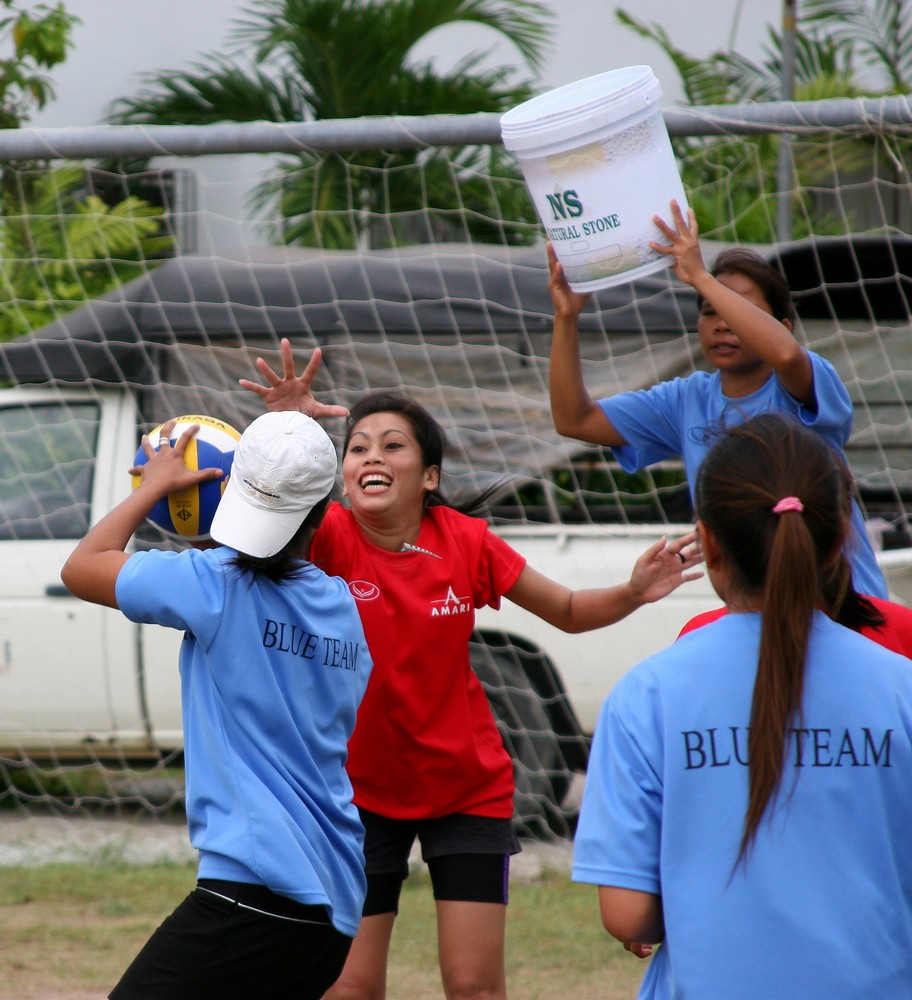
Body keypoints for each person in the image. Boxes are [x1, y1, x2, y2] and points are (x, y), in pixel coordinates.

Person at [240, 341, 703, 1000]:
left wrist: (632, 591)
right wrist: (289, 430)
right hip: (357, 790)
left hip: (466, 786)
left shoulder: (463, 540)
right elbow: (265, 510)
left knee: (475, 988)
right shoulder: (328, 537)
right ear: (341, 475)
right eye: (357, 446)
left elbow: (568, 610)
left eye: (392, 445)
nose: (372, 455)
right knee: (349, 989)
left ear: (429, 476)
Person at [571, 412, 912, 1000]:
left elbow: (628, 915)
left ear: (706, 541)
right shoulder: (909, 689)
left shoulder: (648, 693)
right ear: (840, 539)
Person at [60, 411, 374, 1000]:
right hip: (332, 910)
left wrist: (154, 487)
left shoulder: (213, 585)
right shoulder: (341, 607)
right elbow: (280, 556)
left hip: (253, 894)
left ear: (229, 487)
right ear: (324, 513)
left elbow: (82, 567)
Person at [546, 199, 888, 599]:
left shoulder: (803, 379)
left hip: (843, 606)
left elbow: (785, 354)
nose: (723, 323)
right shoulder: (685, 399)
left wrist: (701, 278)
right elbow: (575, 420)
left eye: (740, 308)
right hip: (754, 611)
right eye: (709, 310)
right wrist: (566, 317)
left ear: (782, 326)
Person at [678, 556, 912, 1000]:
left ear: (714, 541)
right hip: (770, 961)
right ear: (842, 531)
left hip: (907, 966)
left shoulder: (902, 635)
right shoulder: (698, 645)